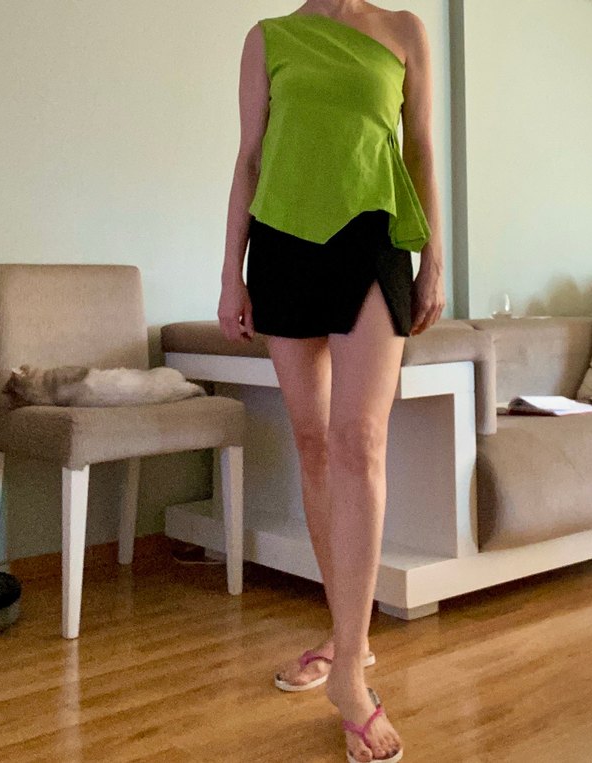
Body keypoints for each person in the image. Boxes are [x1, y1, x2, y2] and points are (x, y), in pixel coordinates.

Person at [218, 1, 444, 760]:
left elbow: (420, 149)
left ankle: (348, 672)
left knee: (359, 439)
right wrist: (230, 274)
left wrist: (434, 258)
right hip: (282, 244)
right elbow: (249, 158)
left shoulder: (405, 31)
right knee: (313, 442)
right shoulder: (268, 39)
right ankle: (349, 638)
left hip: (373, 239)